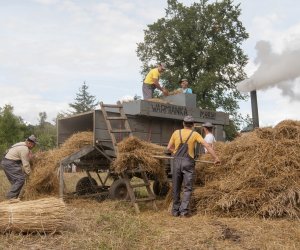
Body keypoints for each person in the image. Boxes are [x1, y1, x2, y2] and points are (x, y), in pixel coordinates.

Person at [167, 116, 220, 217]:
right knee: (187, 187)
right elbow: (207, 146)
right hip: (188, 163)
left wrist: (176, 153)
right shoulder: (195, 134)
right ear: (193, 125)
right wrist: (216, 158)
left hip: (177, 162)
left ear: (183, 123)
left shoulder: (176, 132)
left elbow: (169, 147)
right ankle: (183, 212)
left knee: (176, 187)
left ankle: (175, 211)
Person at [1, 135, 38, 199]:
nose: (34, 146)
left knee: (16, 182)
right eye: (33, 145)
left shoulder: (21, 144)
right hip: (10, 163)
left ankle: (14, 198)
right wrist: (30, 174)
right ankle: (10, 197)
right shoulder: (24, 149)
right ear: (29, 143)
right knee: (20, 179)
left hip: (6, 162)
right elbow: (26, 164)